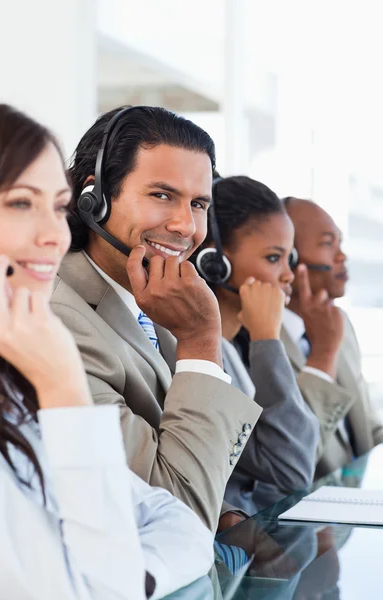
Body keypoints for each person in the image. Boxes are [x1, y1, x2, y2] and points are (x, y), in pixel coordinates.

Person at [0, 103, 214, 600]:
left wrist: (129, 576)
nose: (53, 234)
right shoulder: (51, 343)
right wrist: (64, 389)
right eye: (22, 203)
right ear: (96, 199)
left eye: (56, 204)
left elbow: (183, 525)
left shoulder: (2, 386)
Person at [52, 106, 262, 533]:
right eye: (162, 195)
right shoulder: (58, 321)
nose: (186, 226)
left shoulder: (161, 299)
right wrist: (202, 342)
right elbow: (179, 512)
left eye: (198, 203)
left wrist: (224, 512)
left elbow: (209, 468)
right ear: (94, 196)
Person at [193, 175, 319, 513]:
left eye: (289, 259)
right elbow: (291, 469)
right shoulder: (200, 356)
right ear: (215, 264)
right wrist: (267, 337)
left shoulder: (232, 348)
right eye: (273, 258)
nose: (289, 274)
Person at [282, 197, 383, 477]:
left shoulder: (340, 322)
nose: (342, 257)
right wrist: (324, 351)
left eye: (340, 243)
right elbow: (292, 450)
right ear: (287, 256)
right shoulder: (261, 339)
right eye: (328, 244)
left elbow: (366, 424)